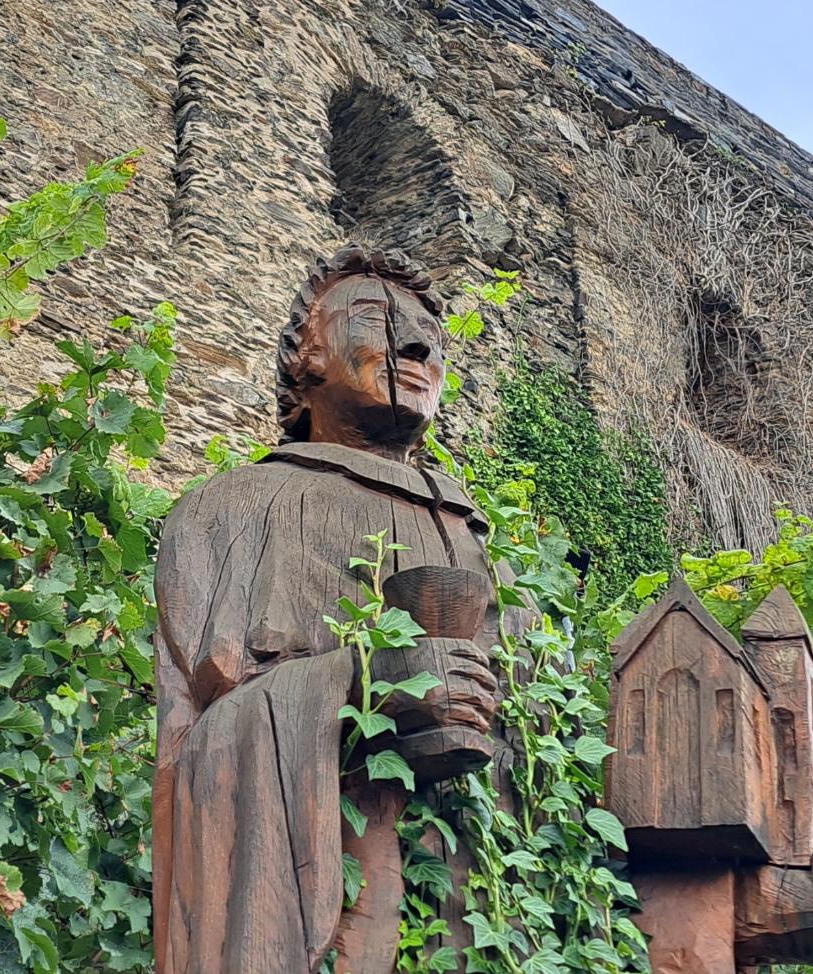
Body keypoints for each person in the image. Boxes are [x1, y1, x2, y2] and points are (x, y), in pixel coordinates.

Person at [149, 247, 518, 973]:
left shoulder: (486, 552)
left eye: (430, 338)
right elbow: (196, 729)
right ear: (307, 355)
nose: (416, 346)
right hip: (327, 901)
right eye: (377, 319)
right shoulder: (237, 508)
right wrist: (361, 679)